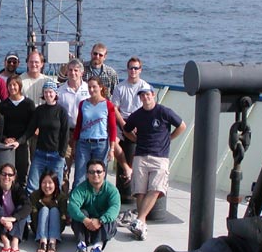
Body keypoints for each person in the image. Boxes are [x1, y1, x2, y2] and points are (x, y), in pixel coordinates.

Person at [123, 86, 186, 240]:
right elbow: (126, 130)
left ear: (153, 94)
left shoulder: (164, 111)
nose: (145, 97)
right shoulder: (136, 115)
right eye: (142, 96)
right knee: (140, 190)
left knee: (156, 189)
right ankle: (141, 226)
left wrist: (169, 138)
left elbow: (182, 126)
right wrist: (135, 139)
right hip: (141, 155)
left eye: (147, 94)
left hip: (160, 157)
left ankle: (139, 220)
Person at [68, 159, 120, 252]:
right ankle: (81, 245)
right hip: (85, 226)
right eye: (91, 172)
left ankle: (97, 248)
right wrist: (85, 220)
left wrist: (100, 220)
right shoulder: (81, 189)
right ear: (87, 174)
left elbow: (115, 208)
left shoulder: (112, 190)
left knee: (111, 218)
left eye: (98, 172)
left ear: (104, 173)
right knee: (80, 213)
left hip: (102, 227)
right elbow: (72, 206)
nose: (95, 174)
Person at [71, 76, 117, 190]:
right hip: (84, 144)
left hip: (101, 144)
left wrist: (112, 149)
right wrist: (74, 145)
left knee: (99, 177)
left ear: (101, 87)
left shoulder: (108, 105)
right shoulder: (83, 104)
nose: (91, 90)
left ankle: (98, 203)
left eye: (94, 87)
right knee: (79, 176)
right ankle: (77, 204)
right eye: (89, 87)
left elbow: (112, 128)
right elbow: (78, 125)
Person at [112, 57, 152, 186]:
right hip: (123, 121)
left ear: (140, 70)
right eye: (131, 68)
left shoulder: (144, 87)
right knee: (113, 143)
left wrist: (137, 125)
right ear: (127, 69)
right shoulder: (120, 87)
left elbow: (148, 107)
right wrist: (124, 125)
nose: (133, 70)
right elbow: (115, 109)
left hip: (139, 121)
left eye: (136, 68)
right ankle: (126, 168)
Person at [25, 80, 69, 193]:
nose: (48, 94)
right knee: (32, 184)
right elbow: (30, 129)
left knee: (55, 185)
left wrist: (62, 154)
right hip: (40, 153)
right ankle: (32, 208)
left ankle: (56, 208)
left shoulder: (62, 112)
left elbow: (65, 134)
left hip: (56, 155)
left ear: (55, 94)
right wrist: (19, 141)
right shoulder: (39, 110)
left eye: (50, 92)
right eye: (46, 92)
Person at [56, 58, 89, 192]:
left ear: (81, 72)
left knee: (82, 169)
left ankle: (79, 199)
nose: (73, 73)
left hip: (84, 133)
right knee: (64, 169)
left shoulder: (89, 89)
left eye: (76, 70)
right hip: (66, 134)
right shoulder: (60, 91)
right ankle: (63, 199)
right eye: (70, 70)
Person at [0, 163, 31, 252]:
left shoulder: (18, 189)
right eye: (4, 174)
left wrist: (13, 219)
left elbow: (28, 206)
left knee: (21, 209)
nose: (6, 177)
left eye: (10, 175)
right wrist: (2, 218)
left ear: (14, 177)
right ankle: (5, 241)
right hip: (0, 223)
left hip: (14, 224)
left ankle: (15, 242)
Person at [0, 75, 36, 186]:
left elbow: (31, 127)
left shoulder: (28, 104)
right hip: (7, 144)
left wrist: (20, 141)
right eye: (9, 85)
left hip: (22, 143)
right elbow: (0, 126)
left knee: (22, 171)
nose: (12, 87)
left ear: (19, 86)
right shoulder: (3, 105)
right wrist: (5, 139)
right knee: (6, 172)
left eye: (14, 84)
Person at [30, 170, 68, 252]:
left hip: (56, 227)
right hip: (38, 227)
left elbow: (63, 218)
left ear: (55, 184)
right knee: (44, 210)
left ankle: (52, 242)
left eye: (50, 183)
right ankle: (42, 241)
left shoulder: (61, 197)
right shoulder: (34, 196)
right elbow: (33, 217)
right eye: (44, 183)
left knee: (54, 210)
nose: (47, 186)